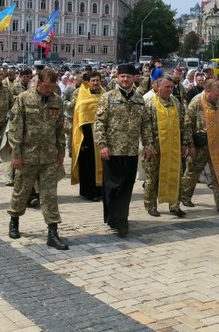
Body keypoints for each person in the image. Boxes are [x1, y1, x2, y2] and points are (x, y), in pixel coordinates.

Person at [6, 69, 68, 250]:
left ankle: (53, 233)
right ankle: (14, 220)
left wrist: (61, 152)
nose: (49, 90)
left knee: (49, 195)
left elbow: (59, 129)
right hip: (27, 156)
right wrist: (16, 155)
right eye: (46, 86)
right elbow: (16, 128)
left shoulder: (57, 101)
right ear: (38, 83)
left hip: (49, 156)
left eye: (52, 86)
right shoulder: (24, 99)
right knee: (21, 190)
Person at [94, 64, 154, 236]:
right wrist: (102, 145)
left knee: (126, 186)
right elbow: (99, 123)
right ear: (117, 78)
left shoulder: (139, 99)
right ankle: (113, 216)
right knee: (113, 186)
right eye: (122, 77)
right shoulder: (107, 97)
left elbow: (146, 125)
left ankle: (121, 219)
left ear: (134, 78)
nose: (125, 79)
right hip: (112, 150)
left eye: (128, 76)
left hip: (131, 151)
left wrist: (148, 145)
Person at [180, 79, 219, 214]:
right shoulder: (196, 102)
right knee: (192, 172)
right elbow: (187, 125)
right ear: (207, 91)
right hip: (200, 145)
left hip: (217, 145)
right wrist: (190, 146)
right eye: (216, 95)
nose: (218, 97)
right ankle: (183, 196)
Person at [143, 75, 189, 217]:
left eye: (171, 87)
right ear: (158, 87)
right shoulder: (150, 103)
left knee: (176, 175)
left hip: (174, 147)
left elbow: (184, 124)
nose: (169, 90)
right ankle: (151, 205)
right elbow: (146, 127)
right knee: (152, 178)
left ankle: (174, 205)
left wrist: (185, 143)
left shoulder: (176, 102)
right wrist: (148, 146)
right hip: (156, 148)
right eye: (166, 87)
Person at [71, 71, 104, 202]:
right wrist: (82, 141)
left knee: (101, 165)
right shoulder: (83, 98)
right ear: (88, 82)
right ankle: (88, 192)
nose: (95, 83)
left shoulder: (104, 95)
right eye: (93, 81)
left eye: (97, 80)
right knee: (88, 166)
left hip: (101, 137)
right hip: (87, 138)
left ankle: (100, 191)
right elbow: (79, 120)